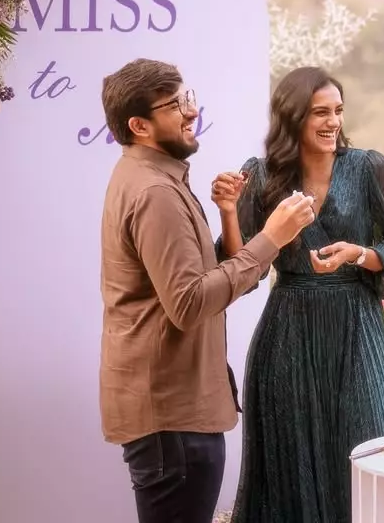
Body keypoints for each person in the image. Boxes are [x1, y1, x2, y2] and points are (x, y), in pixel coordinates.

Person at [98, 58, 316, 523]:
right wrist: (272, 238)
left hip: (171, 415)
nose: (192, 112)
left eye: (188, 98)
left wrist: (229, 215)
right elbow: (190, 303)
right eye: (175, 105)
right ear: (139, 126)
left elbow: (199, 281)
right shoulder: (155, 193)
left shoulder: (154, 180)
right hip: (172, 418)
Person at [211, 66, 384, 523]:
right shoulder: (261, 176)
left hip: (356, 331)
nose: (333, 122)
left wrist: (359, 254)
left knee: (366, 453)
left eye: (338, 111)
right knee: (290, 468)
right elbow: (240, 267)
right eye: (320, 113)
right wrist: (229, 211)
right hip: (288, 333)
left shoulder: (368, 168)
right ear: (293, 118)